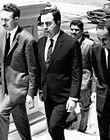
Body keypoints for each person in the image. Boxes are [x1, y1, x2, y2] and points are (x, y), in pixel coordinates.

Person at [37, 8, 82, 140]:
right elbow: (41, 69)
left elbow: (76, 72)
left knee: (54, 126)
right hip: (47, 96)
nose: (45, 27)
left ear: (58, 22)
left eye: (48, 24)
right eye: (42, 24)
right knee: (53, 130)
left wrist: (73, 97)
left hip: (64, 97)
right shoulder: (41, 43)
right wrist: (40, 89)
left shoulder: (70, 43)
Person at [0, 3, 38, 140]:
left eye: (6, 20)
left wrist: (31, 94)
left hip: (20, 88)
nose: (3, 23)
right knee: (20, 120)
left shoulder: (28, 40)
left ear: (16, 19)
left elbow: (33, 70)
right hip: (6, 86)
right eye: (1, 19)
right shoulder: (2, 34)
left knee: (0, 113)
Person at [69, 19, 97, 133]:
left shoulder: (90, 45)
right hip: (70, 81)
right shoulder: (68, 42)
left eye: (77, 30)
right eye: (72, 30)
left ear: (82, 31)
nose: (74, 32)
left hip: (84, 82)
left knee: (84, 107)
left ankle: (82, 127)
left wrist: (94, 89)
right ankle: (72, 117)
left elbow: (94, 68)